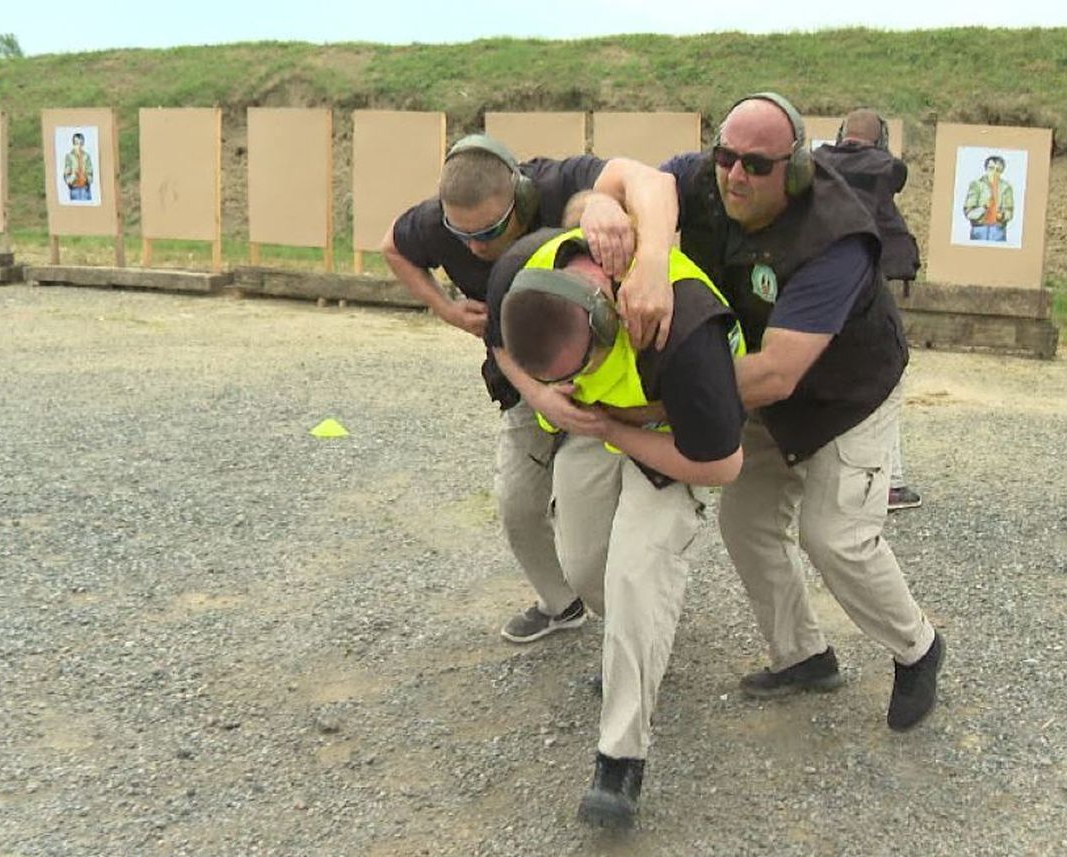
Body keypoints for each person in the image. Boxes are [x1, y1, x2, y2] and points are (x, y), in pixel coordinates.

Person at [650, 92, 945, 733]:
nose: (735, 175)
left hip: (847, 395)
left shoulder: (835, 236)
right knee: (746, 520)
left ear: (797, 168)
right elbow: (638, 184)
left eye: (757, 165)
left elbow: (778, 373)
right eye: (725, 157)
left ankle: (917, 647)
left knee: (836, 536)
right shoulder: (706, 178)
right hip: (760, 383)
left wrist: (656, 394)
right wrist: (632, 238)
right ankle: (804, 655)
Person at [487, 225, 745, 830]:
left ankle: (619, 761)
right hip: (592, 426)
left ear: (610, 319)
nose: (565, 383)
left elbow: (721, 465)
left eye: (575, 370)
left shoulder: (688, 335)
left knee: (636, 573)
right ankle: (639, 643)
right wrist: (543, 398)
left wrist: (614, 429)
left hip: (673, 433)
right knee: (584, 566)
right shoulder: (520, 272)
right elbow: (499, 346)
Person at [380, 134, 678, 644]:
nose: (475, 247)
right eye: (461, 234)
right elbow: (393, 247)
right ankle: (561, 604)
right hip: (523, 373)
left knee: (612, 512)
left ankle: (639, 618)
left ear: (520, 196)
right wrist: (446, 309)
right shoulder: (437, 222)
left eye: (490, 231)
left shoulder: (557, 182)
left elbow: (651, 180)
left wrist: (647, 256)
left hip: (604, 376)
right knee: (517, 503)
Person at [818, 108, 922, 512]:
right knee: (885, 381)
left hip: (814, 298)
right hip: (862, 304)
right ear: (880, 140)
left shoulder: (816, 167)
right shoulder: (881, 172)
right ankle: (889, 484)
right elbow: (897, 247)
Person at [963, 155, 1013, 242]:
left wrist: (1001, 216)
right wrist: (984, 207)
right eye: (991, 168)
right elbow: (969, 213)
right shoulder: (976, 185)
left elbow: (1010, 212)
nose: (994, 172)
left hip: (998, 231)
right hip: (979, 229)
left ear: (1002, 171)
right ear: (986, 169)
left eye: (998, 170)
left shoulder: (1006, 187)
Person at [62, 131, 93, 202]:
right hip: (74, 188)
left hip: (85, 188)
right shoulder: (69, 156)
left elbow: (90, 171)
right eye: (76, 144)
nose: (78, 146)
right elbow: (66, 173)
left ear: (83, 144)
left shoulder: (86, 156)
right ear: (73, 144)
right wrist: (72, 177)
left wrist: (87, 179)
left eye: (80, 144)